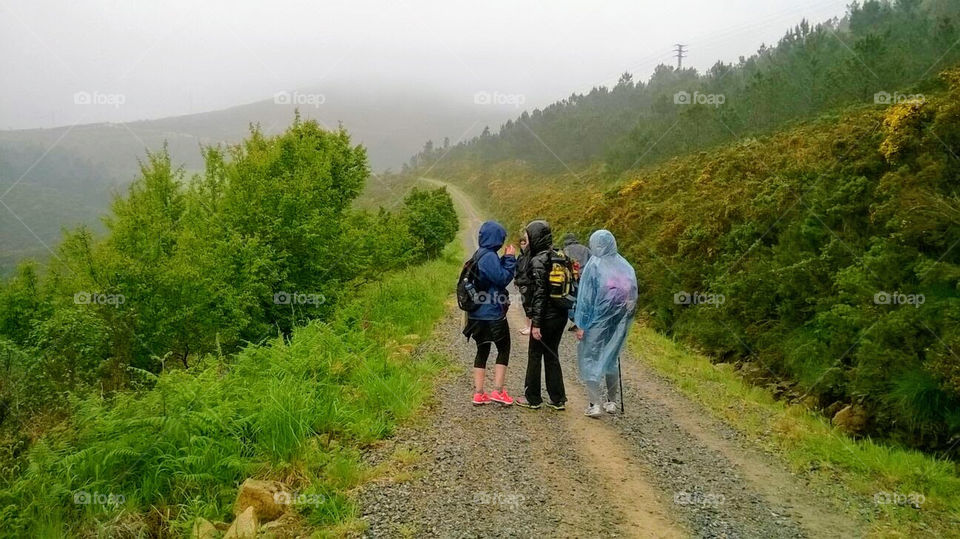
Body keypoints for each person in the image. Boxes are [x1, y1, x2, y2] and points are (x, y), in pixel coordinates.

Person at [574, 229, 637, 418]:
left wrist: (581, 324)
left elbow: (585, 298)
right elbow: (633, 295)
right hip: (619, 322)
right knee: (611, 358)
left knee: (589, 358)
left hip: (596, 321)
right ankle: (612, 402)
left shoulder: (594, 266)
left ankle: (594, 404)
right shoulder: (625, 265)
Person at [515, 220, 568, 410]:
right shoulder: (559, 255)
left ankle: (533, 398)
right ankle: (558, 398)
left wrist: (535, 324)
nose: (527, 241)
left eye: (529, 237)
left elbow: (539, 294)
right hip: (561, 315)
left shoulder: (538, 260)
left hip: (545, 317)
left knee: (535, 354)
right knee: (552, 354)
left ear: (535, 237)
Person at [463, 221, 517, 406]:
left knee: (482, 349)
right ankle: (498, 391)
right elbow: (502, 278)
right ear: (497, 238)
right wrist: (510, 258)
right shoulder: (490, 257)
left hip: (475, 314)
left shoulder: (479, 255)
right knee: (503, 348)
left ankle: (479, 393)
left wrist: (502, 260)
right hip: (492, 313)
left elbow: (492, 276)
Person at [561, 233, 591, 332]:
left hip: (572, 279)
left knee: (571, 299)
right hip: (586, 278)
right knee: (583, 300)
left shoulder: (566, 250)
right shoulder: (585, 249)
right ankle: (582, 322)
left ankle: (576, 320)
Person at [515, 236, 532, 336]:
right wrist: (516, 280)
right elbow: (517, 270)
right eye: (521, 243)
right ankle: (527, 325)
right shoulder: (521, 257)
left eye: (525, 243)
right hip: (522, 284)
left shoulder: (529, 257)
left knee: (529, 305)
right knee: (525, 305)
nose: (523, 245)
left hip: (528, 284)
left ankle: (531, 327)